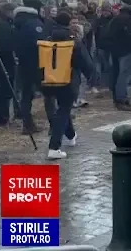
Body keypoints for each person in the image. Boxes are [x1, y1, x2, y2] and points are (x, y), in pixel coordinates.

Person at [42, 11, 94, 160]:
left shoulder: (48, 38)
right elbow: (85, 62)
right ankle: (54, 147)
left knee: (63, 108)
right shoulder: (73, 41)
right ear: (69, 23)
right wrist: (91, 76)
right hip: (68, 81)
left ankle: (71, 136)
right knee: (64, 110)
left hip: (50, 80)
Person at [13, 0, 48, 135]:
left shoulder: (18, 21)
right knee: (49, 93)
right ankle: (56, 122)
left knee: (26, 95)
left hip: (23, 63)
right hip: (36, 63)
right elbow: (41, 44)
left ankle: (27, 124)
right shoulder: (33, 22)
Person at [107, 0, 131, 110]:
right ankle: (121, 99)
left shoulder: (116, 19)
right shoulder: (129, 19)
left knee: (118, 75)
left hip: (117, 51)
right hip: (128, 51)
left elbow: (108, 35)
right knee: (124, 76)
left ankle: (119, 99)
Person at [0, 3, 17, 126]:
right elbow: (4, 46)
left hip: (4, 62)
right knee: (3, 91)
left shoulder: (4, 24)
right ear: (8, 12)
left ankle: (2, 117)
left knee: (4, 91)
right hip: (3, 63)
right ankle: (1, 118)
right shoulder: (2, 26)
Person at [92, 4, 114, 90]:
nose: (105, 13)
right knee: (103, 66)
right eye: (104, 11)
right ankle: (103, 83)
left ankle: (108, 83)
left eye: (107, 11)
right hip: (101, 46)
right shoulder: (98, 21)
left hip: (111, 47)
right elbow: (95, 33)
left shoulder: (113, 20)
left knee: (109, 66)